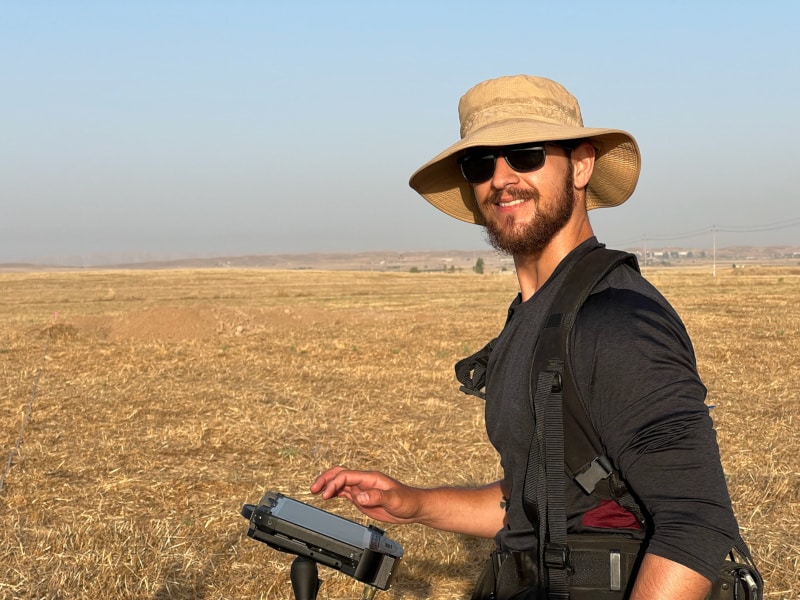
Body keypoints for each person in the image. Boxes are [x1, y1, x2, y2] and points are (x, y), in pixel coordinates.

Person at [311, 75, 739, 599]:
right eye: (481, 163)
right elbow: (537, 500)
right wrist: (415, 503)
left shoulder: (614, 321)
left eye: (526, 154)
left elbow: (695, 524)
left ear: (581, 165)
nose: (502, 178)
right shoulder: (537, 316)